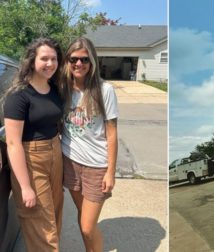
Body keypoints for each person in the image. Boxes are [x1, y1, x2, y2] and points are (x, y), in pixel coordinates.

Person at [3, 38, 64, 251]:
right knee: (41, 223)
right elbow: (12, 143)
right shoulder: (19, 95)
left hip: (55, 151)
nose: (50, 63)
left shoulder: (54, 88)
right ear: (32, 60)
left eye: (54, 59)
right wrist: (25, 186)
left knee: (54, 214)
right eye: (44, 58)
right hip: (32, 158)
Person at [60, 37, 118, 251]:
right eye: (73, 59)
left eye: (84, 59)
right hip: (70, 162)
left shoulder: (105, 90)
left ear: (92, 61)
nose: (79, 64)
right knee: (83, 218)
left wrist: (110, 171)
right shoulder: (63, 89)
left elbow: (112, 133)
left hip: (96, 166)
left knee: (86, 226)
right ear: (67, 61)